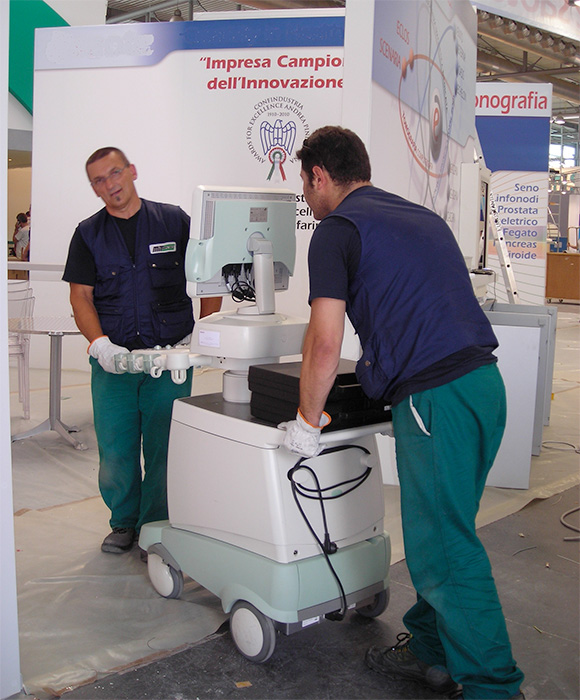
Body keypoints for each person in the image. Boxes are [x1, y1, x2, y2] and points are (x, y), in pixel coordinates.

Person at [281, 126, 525, 700]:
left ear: (320, 176)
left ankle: (494, 687)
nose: (306, 199)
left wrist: (307, 421)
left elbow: (324, 340)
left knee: (445, 550)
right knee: (446, 531)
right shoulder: (420, 217)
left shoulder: (336, 230)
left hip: (436, 400)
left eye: (305, 185)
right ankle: (430, 649)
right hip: (483, 388)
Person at [63, 147, 220, 557]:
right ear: (94, 189)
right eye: (99, 180)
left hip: (168, 362)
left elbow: (208, 278)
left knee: (164, 447)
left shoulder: (173, 221)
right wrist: (100, 346)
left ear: (132, 171)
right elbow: (81, 296)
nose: (110, 184)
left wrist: (202, 334)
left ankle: (155, 526)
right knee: (115, 449)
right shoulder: (88, 234)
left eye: (115, 172)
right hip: (113, 364)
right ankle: (123, 522)